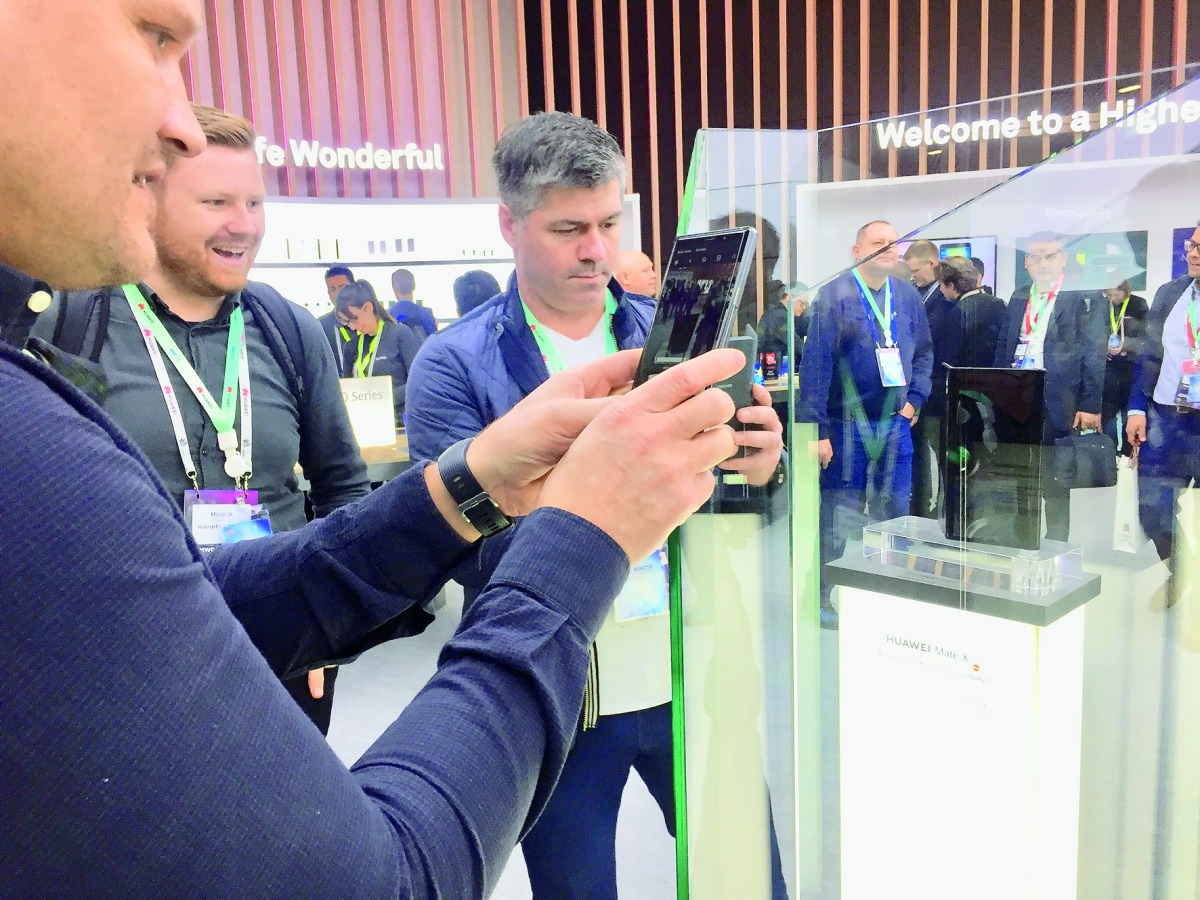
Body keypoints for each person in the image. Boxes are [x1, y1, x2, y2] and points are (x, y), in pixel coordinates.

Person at [0, 2, 752, 893]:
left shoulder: (263, 333)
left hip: (677, 662)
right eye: (156, 39)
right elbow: (381, 877)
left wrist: (466, 488)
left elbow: (217, 581)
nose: (174, 122)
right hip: (565, 683)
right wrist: (581, 533)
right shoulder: (38, 435)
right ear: (512, 226)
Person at [405, 110, 785, 899]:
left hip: (694, 660)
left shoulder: (678, 334)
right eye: (568, 227)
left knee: (745, 873)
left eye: (610, 222)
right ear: (508, 224)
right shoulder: (453, 364)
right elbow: (458, 544)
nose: (596, 249)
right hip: (560, 687)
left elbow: (737, 502)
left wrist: (761, 465)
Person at [32, 102, 368, 733]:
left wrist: (328, 623)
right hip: (126, 660)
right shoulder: (71, 324)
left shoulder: (286, 328)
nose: (243, 227)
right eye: (216, 203)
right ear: (148, 198)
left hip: (282, 655)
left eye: (256, 204)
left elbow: (343, 488)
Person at [798, 220, 934, 626]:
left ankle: (893, 589)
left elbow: (924, 353)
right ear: (857, 251)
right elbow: (817, 366)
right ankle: (824, 595)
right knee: (839, 514)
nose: (887, 249)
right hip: (846, 427)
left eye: (893, 243)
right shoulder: (835, 296)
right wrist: (818, 431)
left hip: (896, 424)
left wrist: (915, 402)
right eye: (877, 242)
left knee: (896, 511)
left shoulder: (907, 297)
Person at [992, 231, 1106, 543]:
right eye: (1035, 256)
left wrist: (1089, 404)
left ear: (1063, 259)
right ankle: (1022, 540)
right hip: (1016, 396)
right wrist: (997, 389)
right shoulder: (1018, 296)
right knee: (1019, 476)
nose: (1043, 262)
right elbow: (1004, 346)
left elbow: (1093, 355)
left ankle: (1056, 548)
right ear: (1026, 262)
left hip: (1059, 399)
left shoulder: (1085, 297)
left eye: (1050, 255)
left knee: (1056, 481)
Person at [1127, 223, 1200, 572]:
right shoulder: (1171, 292)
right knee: (1152, 506)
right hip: (1166, 417)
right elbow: (1148, 355)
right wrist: (1137, 407)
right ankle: (1180, 570)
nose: (1194, 253)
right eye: (1192, 245)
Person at [906, 241, 956, 516]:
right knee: (919, 455)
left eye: (916, 270)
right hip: (916, 388)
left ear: (932, 264)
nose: (913, 276)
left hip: (938, 390)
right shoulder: (915, 295)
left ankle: (944, 508)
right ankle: (920, 506)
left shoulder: (946, 301)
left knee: (940, 453)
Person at [335, 278, 421, 421]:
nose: (352, 327)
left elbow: (417, 381)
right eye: (347, 322)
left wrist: (382, 397)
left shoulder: (400, 334)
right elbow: (348, 389)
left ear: (368, 308)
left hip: (400, 421)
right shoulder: (351, 347)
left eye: (354, 319)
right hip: (366, 422)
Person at [1100, 279, 1149, 455]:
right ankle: (1109, 452)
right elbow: (1095, 334)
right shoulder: (1103, 306)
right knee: (1108, 415)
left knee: (1129, 412)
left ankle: (1129, 452)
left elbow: (1147, 338)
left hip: (1131, 367)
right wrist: (1103, 346)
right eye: (1109, 294)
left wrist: (1126, 345)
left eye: (1116, 294)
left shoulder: (1138, 305)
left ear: (1125, 290)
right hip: (1109, 368)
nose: (1113, 299)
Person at [756, 280, 810, 364]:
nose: (804, 307)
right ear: (789, 298)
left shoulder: (781, 313)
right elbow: (795, 343)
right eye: (802, 303)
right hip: (772, 368)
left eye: (806, 304)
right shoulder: (779, 316)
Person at [318, 264, 355, 370]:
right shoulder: (321, 326)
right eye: (332, 289)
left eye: (342, 287)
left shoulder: (371, 321)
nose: (338, 294)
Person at [390, 267, 438, 340]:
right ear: (414, 286)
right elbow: (433, 342)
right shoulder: (426, 313)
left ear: (394, 288)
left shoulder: (388, 315)